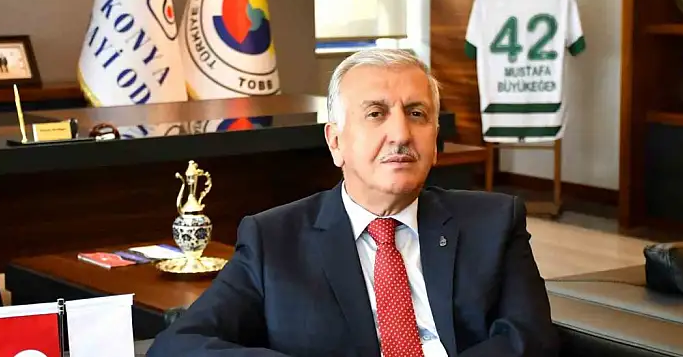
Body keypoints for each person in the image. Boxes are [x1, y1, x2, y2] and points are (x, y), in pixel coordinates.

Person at [147, 49, 558, 357]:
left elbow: (531, 338)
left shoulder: (494, 222)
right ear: (335, 142)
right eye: (376, 114)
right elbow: (179, 345)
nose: (401, 134)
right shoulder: (273, 239)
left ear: (435, 140)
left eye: (417, 114)